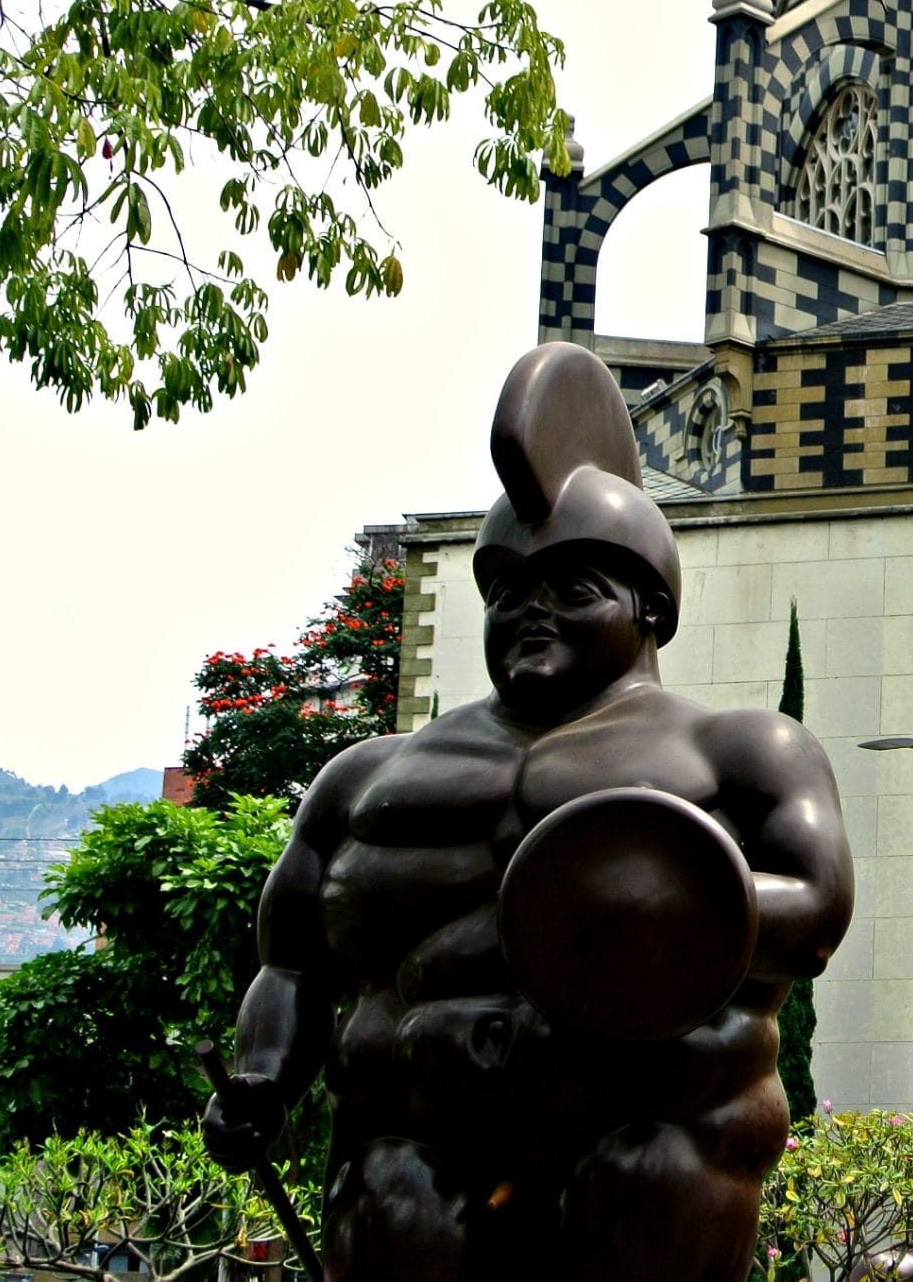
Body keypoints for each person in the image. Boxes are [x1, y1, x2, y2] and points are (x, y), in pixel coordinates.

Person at [203, 343, 854, 1282]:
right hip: (409, 1154)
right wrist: (263, 1075)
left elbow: (817, 908)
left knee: (649, 1178)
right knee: (397, 1204)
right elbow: (291, 960)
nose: (530, 611)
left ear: (651, 608)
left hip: (653, 1140)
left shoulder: (742, 751)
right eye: (507, 591)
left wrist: (649, 916)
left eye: (572, 589)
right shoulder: (369, 777)